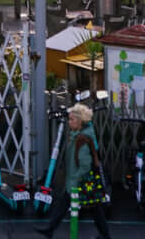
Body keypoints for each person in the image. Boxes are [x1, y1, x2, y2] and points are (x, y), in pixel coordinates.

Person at [34, 102, 112, 238]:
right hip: (80, 179)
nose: (69, 122)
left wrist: (74, 179)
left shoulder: (81, 138)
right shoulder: (80, 133)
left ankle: (50, 229)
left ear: (80, 121)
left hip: (81, 180)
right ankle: (50, 228)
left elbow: (85, 165)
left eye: (72, 119)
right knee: (90, 207)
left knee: (92, 208)